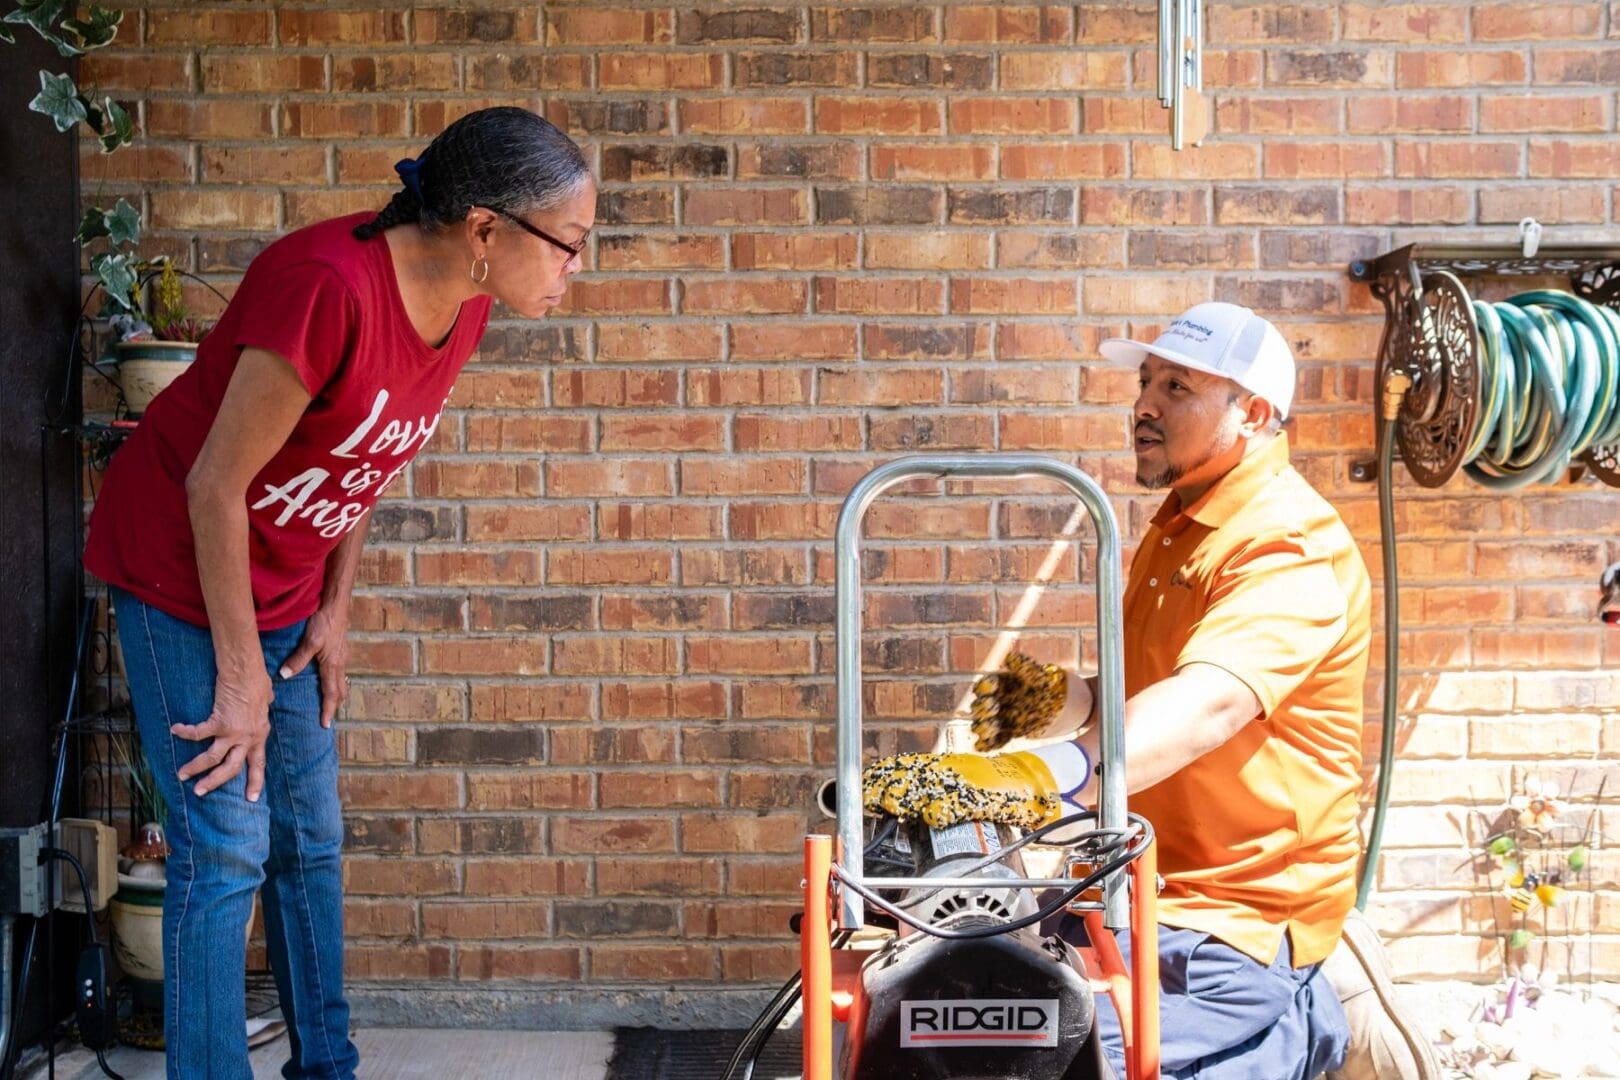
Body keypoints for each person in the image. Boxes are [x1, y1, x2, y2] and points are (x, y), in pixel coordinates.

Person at [84, 107, 595, 1080]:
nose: (576, 265)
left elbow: (366, 458)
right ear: (487, 231)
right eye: (570, 244)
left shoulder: (465, 305)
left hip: (284, 586)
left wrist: (335, 607)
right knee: (228, 844)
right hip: (180, 569)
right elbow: (212, 486)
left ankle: (328, 1068)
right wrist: (242, 681)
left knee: (310, 838)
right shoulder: (327, 288)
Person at [864, 302, 1438, 1079]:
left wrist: (1045, 779)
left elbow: (1209, 703)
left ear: (1255, 412)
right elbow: (1153, 693)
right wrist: (1068, 700)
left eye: (1178, 387)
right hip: (1142, 887)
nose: (1144, 404)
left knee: (1040, 1051)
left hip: (1227, 928)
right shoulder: (1181, 528)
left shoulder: (1287, 543)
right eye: (1144, 383)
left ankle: (1300, 1026)